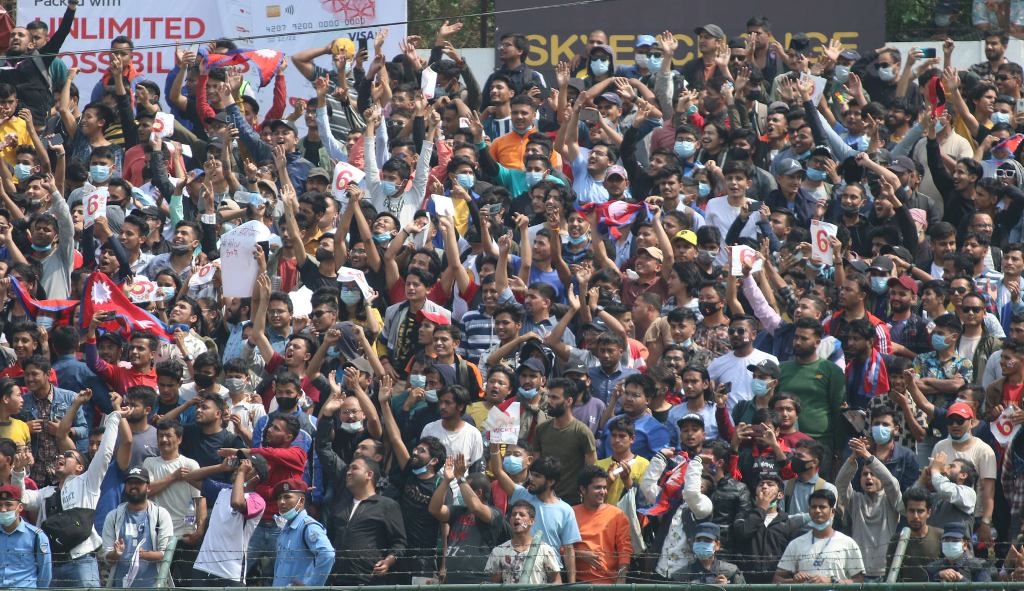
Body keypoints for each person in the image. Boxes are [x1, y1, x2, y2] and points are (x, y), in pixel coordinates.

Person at [18, 392, 130, 588]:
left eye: (69, 455)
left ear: (80, 467)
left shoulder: (87, 482)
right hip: (51, 564)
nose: (61, 456)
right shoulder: (46, 492)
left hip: (82, 562)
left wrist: (114, 417)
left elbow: (105, 453)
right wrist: (18, 472)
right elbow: (22, 499)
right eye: (60, 455)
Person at [490, 446, 581, 582]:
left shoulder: (566, 510)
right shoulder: (521, 494)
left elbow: (568, 549)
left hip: (550, 574)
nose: (531, 478)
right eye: (532, 474)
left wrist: (571, 583)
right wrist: (494, 448)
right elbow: (498, 471)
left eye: (537, 476)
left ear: (551, 481)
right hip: (517, 570)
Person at [428, 454, 510, 584]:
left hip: (479, 582)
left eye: (464, 487)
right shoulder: (458, 511)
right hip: (452, 580)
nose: (460, 491)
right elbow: (434, 509)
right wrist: (446, 481)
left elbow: (476, 508)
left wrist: (460, 478)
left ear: (479, 493)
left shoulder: (494, 513)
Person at [189, 454, 269, 586]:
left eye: (246, 465)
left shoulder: (257, 500)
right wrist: (221, 467)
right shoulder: (223, 490)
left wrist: (241, 473)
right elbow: (190, 477)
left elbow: (236, 503)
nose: (239, 468)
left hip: (230, 574)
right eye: (239, 464)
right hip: (202, 567)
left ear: (256, 476)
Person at [835, 436, 902, 580]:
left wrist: (867, 455)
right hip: (860, 574)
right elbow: (841, 484)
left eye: (874, 474)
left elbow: (891, 483)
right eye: (865, 474)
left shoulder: (891, 500)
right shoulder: (855, 500)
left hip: (886, 574)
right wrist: (853, 458)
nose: (869, 478)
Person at [100, 466, 174, 589]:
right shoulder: (113, 516)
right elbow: (106, 557)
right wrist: (116, 554)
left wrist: (143, 555)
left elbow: (166, 554)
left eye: (138, 483)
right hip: (120, 586)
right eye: (130, 483)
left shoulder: (161, 514)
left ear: (148, 487)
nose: (133, 486)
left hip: (154, 587)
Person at [773, 489, 865, 584]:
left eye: (822, 507)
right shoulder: (796, 544)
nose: (817, 510)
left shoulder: (848, 543)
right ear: (809, 511)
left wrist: (832, 581)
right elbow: (777, 579)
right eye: (813, 507)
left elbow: (860, 581)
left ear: (832, 511)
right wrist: (795, 581)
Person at [535, 378, 597, 504]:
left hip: (572, 501)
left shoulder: (582, 432)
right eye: (549, 397)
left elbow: (590, 469)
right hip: (543, 497)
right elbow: (536, 464)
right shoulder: (541, 429)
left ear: (569, 401)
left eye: (555, 398)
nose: (549, 401)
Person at [572, 466, 632, 583]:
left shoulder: (617, 515)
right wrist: (579, 554)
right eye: (597, 487)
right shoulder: (570, 513)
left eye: (604, 487)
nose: (603, 492)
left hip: (607, 582)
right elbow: (559, 547)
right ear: (583, 489)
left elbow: (624, 550)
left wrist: (621, 582)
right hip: (575, 582)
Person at [271, 478, 335, 587]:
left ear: (301, 501)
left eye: (287, 497)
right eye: (279, 498)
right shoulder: (285, 529)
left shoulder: (308, 527)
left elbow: (327, 554)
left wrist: (312, 586)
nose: (281, 502)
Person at [485, 500, 561, 584]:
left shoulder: (544, 549)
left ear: (531, 521)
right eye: (514, 514)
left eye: (522, 515)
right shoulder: (499, 551)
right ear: (510, 520)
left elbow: (556, 581)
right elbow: (494, 584)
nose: (517, 517)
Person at [0, 483, 51, 588]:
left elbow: (45, 573)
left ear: (20, 507)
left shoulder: (36, 536)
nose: (3, 509)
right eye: (0, 505)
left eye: (8, 505)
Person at [887, 487, 943, 582]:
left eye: (920, 511)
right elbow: (890, 575)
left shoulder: (940, 536)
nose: (915, 516)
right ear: (906, 512)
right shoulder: (897, 540)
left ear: (928, 513)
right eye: (911, 511)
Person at [674, 522, 745, 584]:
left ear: (717, 545)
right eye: (698, 540)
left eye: (707, 540)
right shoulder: (681, 575)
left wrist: (726, 589)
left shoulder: (730, 572)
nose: (702, 544)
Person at [924, 522, 992, 583]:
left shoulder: (979, 566)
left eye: (955, 540)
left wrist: (961, 580)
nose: (949, 543)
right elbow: (923, 587)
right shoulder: (933, 567)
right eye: (946, 540)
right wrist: (938, 576)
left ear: (965, 545)